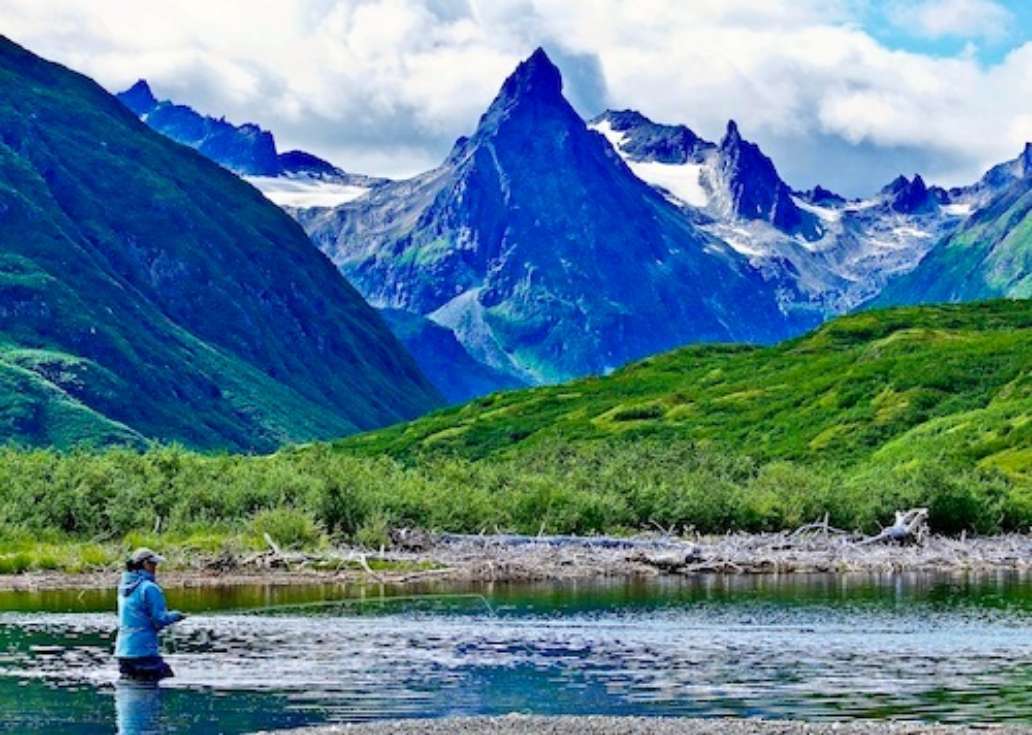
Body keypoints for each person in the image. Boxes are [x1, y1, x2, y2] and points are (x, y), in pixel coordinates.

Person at [115, 548, 186, 681]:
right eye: (153, 564)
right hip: (144, 652)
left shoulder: (123, 588)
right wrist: (177, 616)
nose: (155, 568)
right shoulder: (149, 588)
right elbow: (160, 619)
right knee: (165, 679)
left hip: (122, 653)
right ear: (145, 565)